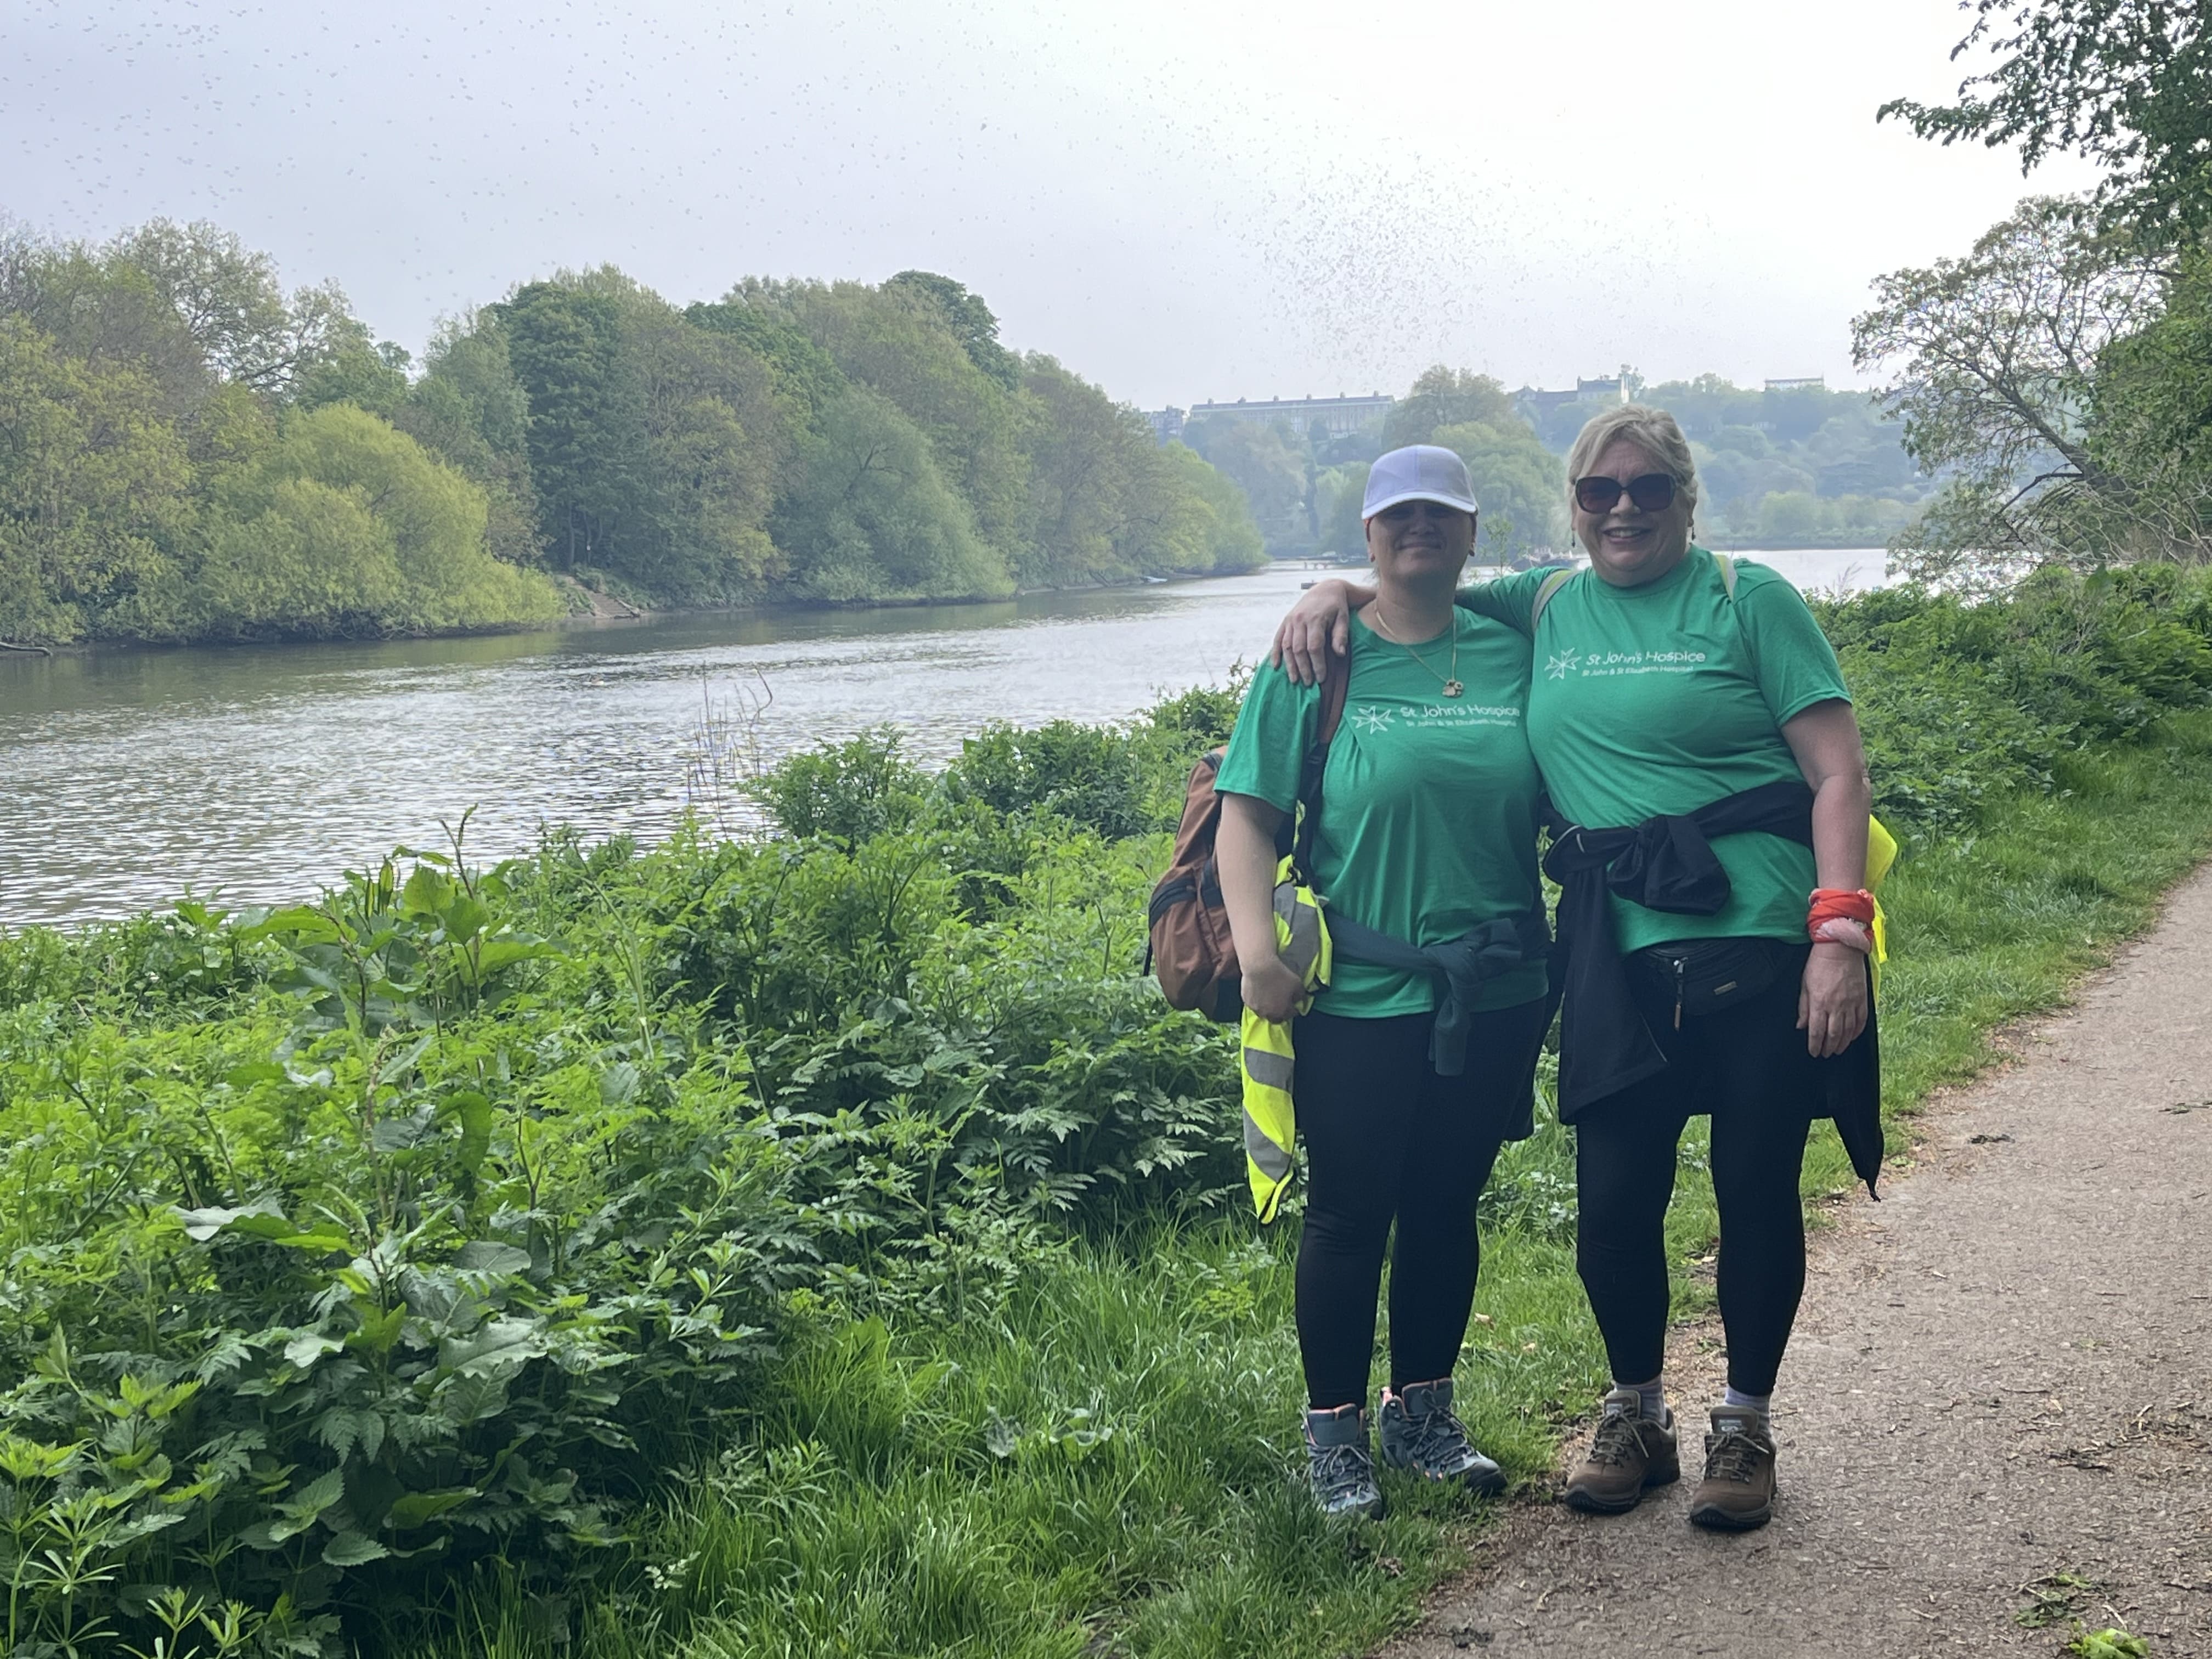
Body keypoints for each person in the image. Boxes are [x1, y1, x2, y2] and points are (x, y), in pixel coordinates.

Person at [1272, 407, 1877, 1532]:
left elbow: (1837, 773)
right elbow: (1416, 582)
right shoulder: (1546, 601)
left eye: (1650, 489)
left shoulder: (1752, 600)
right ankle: (1635, 1415)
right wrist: (1327, 594)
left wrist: (1839, 936)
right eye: (1601, 491)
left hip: (1758, 944)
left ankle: (1742, 1429)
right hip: (1613, 951)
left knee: (1754, 1189)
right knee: (1612, 1206)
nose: (1625, 509)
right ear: (1574, 507)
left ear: (1687, 500)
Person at [1215, 445, 1552, 1521]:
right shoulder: (1315, 658)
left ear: (1470, 532)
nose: (1420, 530)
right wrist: (1257, 952)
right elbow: (1247, 815)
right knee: (1352, 1214)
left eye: (1441, 514)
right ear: (1368, 534)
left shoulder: (1514, 646)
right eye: (1398, 516)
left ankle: (1422, 1418)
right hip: (1358, 991)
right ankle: (1336, 1437)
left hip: (1495, 990)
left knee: (1448, 1206)